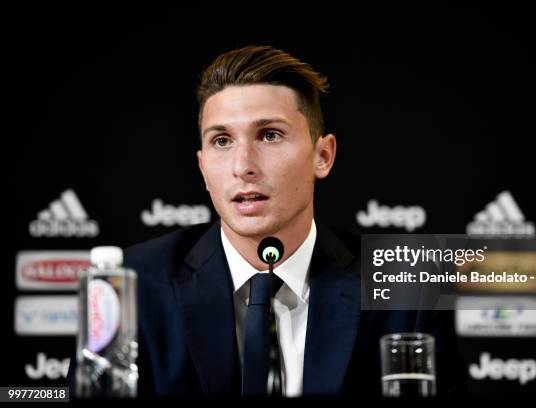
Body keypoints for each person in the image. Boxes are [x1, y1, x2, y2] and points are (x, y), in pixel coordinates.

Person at [121, 45, 465, 397]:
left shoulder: (410, 288)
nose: (243, 166)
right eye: (221, 140)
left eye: (269, 135)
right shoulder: (133, 285)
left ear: (323, 156)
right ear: (202, 167)